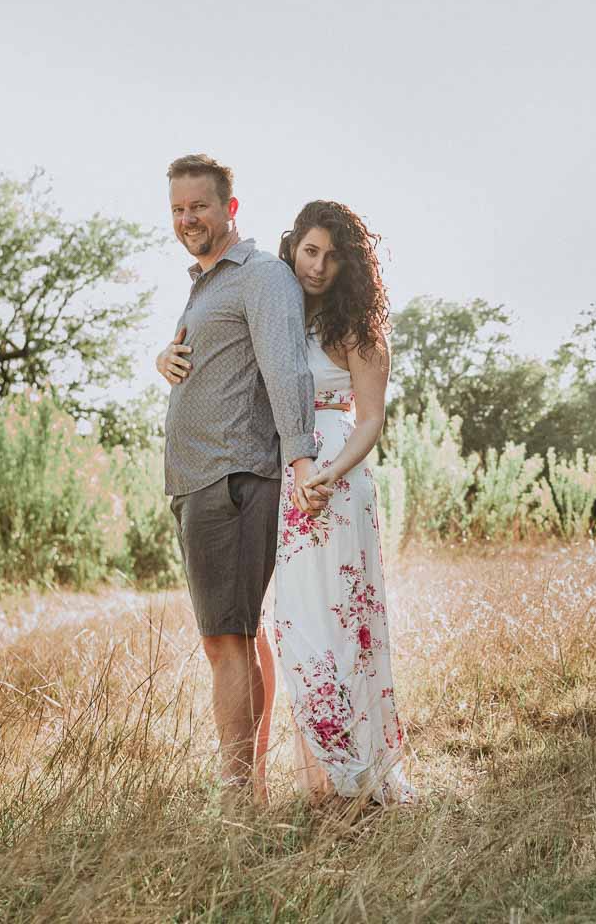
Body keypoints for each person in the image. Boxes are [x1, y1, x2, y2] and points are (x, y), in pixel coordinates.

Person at [155, 154, 330, 801]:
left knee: (226, 641)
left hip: (233, 479)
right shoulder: (206, 284)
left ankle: (235, 801)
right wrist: (163, 358)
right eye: (176, 209)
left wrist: (303, 457)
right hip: (201, 480)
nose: (186, 219)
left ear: (230, 207)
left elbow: (286, 369)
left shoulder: (260, 274)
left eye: (197, 206)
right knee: (237, 638)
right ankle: (248, 787)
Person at [259, 199, 414, 805]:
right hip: (288, 484)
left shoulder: (359, 327)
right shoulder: (279, 316)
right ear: (292, 248)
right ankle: (325, 779)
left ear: (350, 265)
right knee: (298, 625)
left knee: (346, 623)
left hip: (339, 484)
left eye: (331, 255)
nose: (318, 267)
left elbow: (371, 420)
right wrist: (164, 354)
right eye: (309, 251)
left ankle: (360, 779)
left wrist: (327, 475)